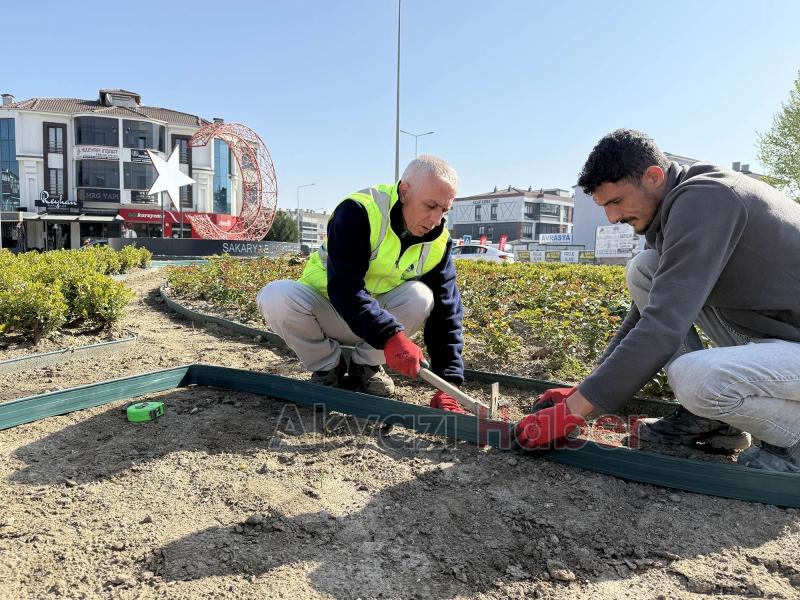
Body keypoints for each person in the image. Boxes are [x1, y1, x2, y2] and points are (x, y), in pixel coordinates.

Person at [516, 129, 800, 473]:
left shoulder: (708, 199)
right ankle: (711, 418)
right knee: (645, 269)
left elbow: (662, 328)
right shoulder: (678, 207)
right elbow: (648, 314)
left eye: (616, 202)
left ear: (653, 176)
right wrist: (584, 391)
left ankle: (794, 440)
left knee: (695, 378)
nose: (612, 218)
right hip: (783, 337)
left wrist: (571, 413)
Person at [257, 155, 467, 411]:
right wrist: (390, 337)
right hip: (327, 310)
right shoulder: (360, 211)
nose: (436, 218)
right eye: (430, 205)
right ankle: (328, 367)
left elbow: (447, 311)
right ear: (404, 191)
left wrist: (449, 383)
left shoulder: (437, 242)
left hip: (372, 327)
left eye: (444, 210)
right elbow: (344, 287)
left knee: (421, 296)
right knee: (275, 296)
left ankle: (365, 367)